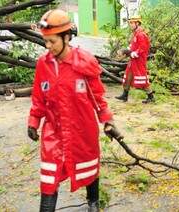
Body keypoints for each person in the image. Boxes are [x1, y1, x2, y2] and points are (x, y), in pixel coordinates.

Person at [27, 9, 122, 212]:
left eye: (52, 41)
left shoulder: (84, 63)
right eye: (46, 41)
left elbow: (98, 98)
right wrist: (34, 121)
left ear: (67, 37)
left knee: (88, 166)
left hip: (83, 130)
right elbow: (38, 98)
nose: (48, 46)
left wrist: (107, 121)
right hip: (54, 132)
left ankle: (93, 203)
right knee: (49, 174)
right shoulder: (43, 65)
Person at [116, 15, 154, 103]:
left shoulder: (141, 34)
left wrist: (134, 53)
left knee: (141, 78)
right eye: (130, 23)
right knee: (128, 75)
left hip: (139, 60)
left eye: (132, 23)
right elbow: (133, 46)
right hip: (133, 60)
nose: (130, 25)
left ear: (137, 23)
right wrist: (128, 51)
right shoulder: (136, 33)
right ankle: (125, 95)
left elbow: (143, 48)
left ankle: (151, 96)